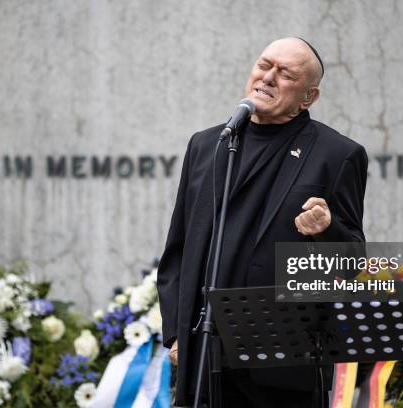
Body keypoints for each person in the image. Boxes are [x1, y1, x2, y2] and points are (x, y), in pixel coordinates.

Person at [157, 37, 368, 407]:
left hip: (281, 366)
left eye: (285, 73)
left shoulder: (338, 155)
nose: (268, 77)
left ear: (309, 97)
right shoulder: (209, 145)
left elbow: (352, 260)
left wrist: (326, 230)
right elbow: (177, 250)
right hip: (205, 352)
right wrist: (177, 334)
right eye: (264, 64)